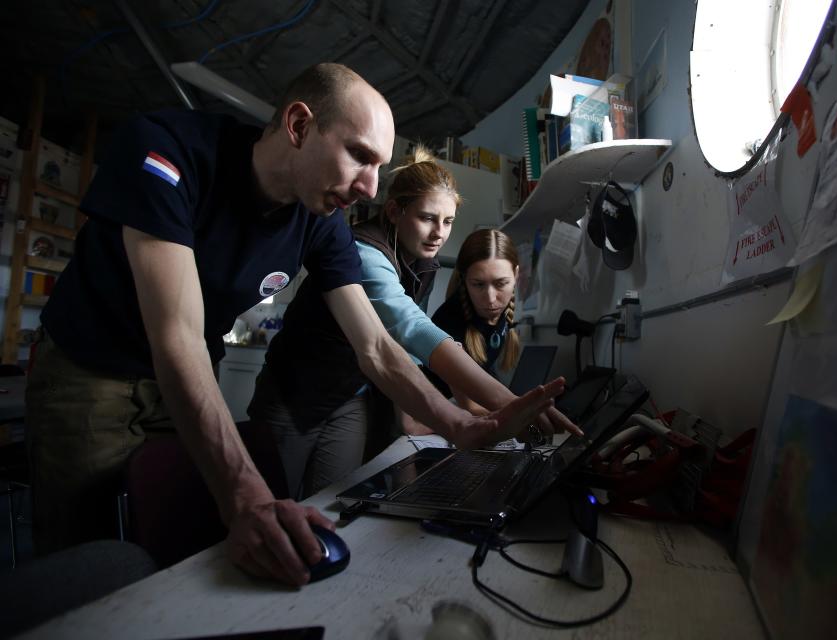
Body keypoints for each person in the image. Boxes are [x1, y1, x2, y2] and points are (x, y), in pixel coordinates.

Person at [25, 62, 565, 588]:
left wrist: (457, 424)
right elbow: (177, 336)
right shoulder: (168, 151)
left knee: (190, 543)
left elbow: (375, 345)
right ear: (300, 125)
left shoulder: (322, 222)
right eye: (359, 156)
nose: (371, 190)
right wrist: (250, 498)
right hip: (90, 370)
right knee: (88, 561)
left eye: (379, 167)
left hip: (188, 373)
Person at [249, 146, 578, 500]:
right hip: (293, 394)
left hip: (349, 398)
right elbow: (412, 327)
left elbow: (405, 347)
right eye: (427, 218)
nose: (439, 232)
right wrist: (510, 403)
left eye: (448, 221)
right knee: (274, 504)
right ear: (394, 211)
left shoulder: (421, 262)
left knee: (332, 503)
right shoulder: (364, 253)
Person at [430, 229, 523, 415]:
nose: (490, 299)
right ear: (465, 280)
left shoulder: (501, 313)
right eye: (478, 284)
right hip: (430, 415)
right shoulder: (449, 323)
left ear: (516, 275)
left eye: (501, 283)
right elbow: (470, 406)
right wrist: (526, 419)